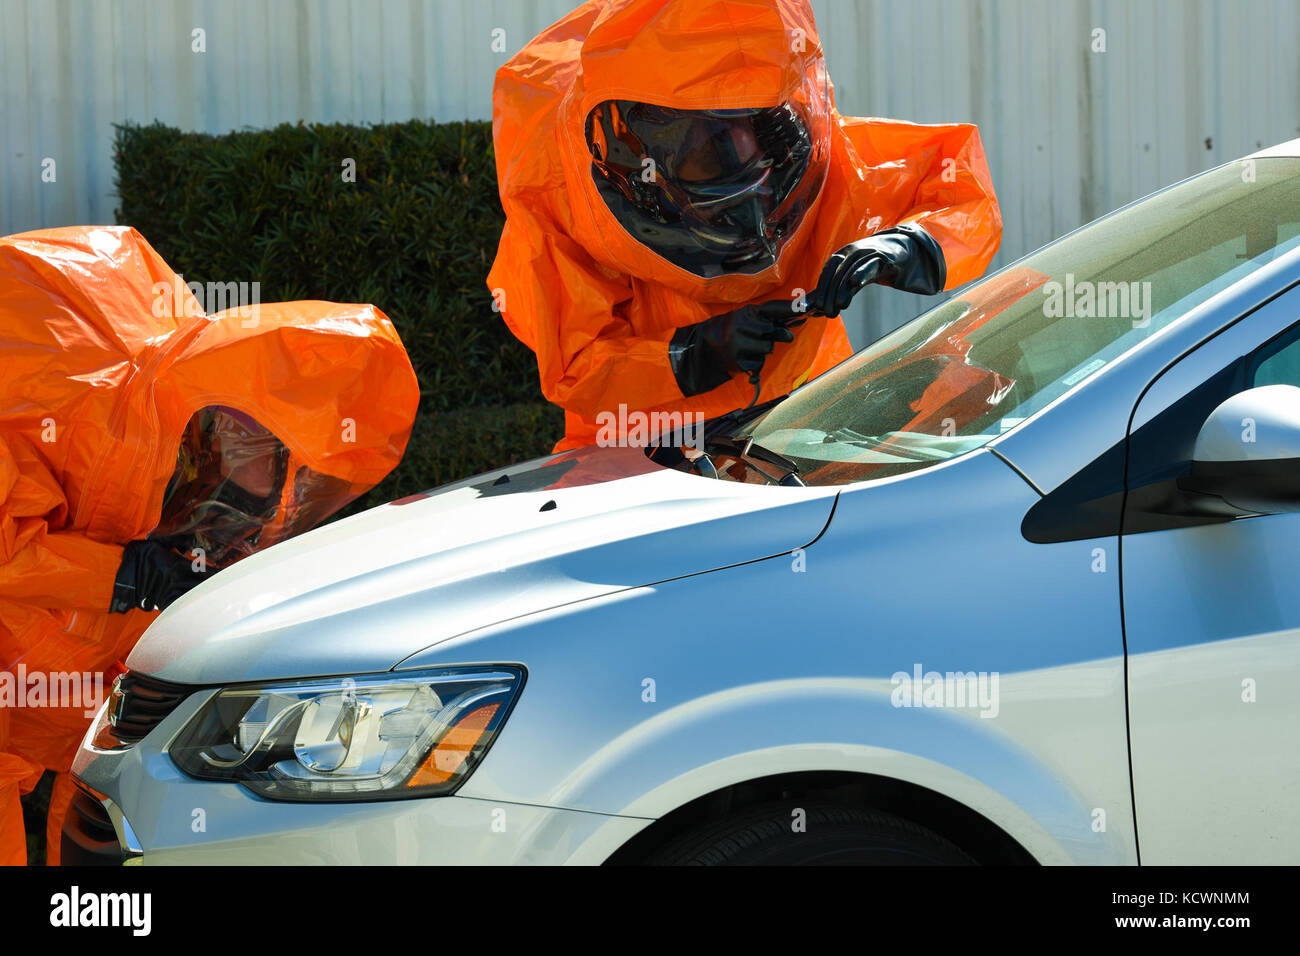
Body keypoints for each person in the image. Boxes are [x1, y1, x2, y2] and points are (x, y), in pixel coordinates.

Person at [0, 225, 420, 864]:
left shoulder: (205, 411)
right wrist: (128, 577)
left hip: (56, 650)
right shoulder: (62, 386)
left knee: (112, 761)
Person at [487, 0, 1003, 452]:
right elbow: (575, 365)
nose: (740, 158)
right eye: (705, 141)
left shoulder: (818, 156)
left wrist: (910, 245)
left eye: (751, 125)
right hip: (641, 461)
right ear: (640, 144)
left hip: (805, 427)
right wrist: (695, 353)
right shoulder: (561, 196)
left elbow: (955, 184)